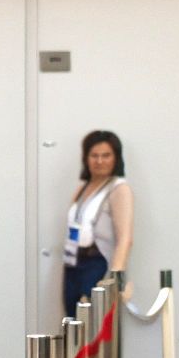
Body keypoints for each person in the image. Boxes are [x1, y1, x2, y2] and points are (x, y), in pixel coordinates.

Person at [62, 129, 133, 315]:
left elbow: (125, 237)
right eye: (94, 155)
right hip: (73, 263)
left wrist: (115, 277)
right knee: (72, 323)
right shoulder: (81, 189)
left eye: (106, 155)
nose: (99, 161)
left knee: (93, 327)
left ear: (116, 158)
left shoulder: (119, 189)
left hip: (98, 264)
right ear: (86, 158)